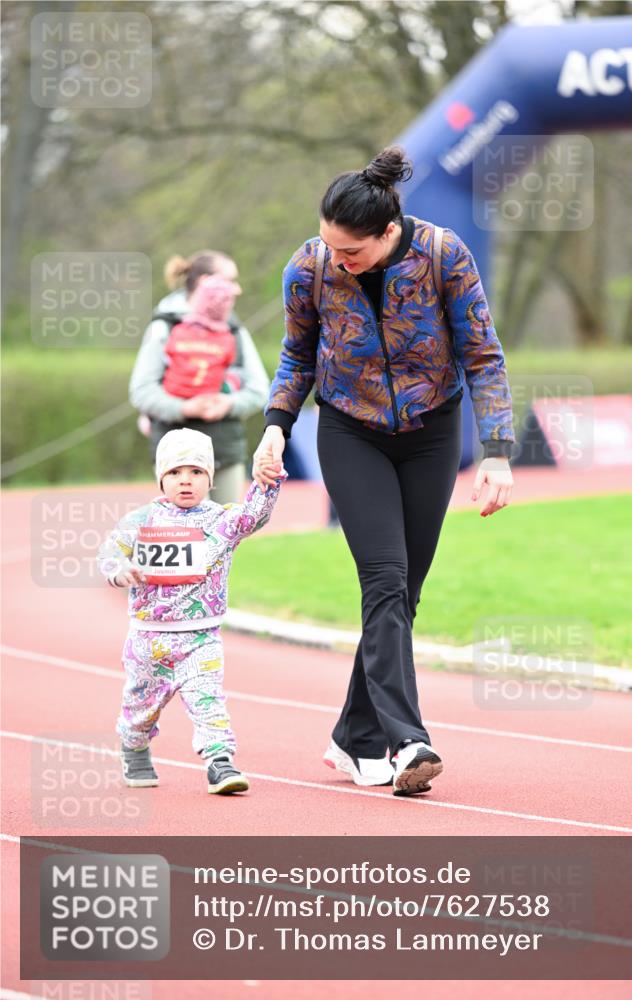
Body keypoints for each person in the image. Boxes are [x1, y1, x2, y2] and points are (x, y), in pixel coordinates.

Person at [253, 146, 515, 797]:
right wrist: (274, 428)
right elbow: (296, 355)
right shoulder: (308, 267)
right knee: (385, 577)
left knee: (401, 596)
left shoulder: (442, 254)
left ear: (388, 232)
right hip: (348, 430)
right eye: (328, 246)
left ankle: (353, 738)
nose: (336, 260)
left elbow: (481, 353)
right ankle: (408, 742)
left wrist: (497, 449)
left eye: (351, 252)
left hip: (431, 433)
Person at [98, 428, 285, 795]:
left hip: (201, 636)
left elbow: (254, 517)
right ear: (161, 477)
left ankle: (220, 761)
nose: (186, 481)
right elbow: (109, 553)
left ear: (210, 478)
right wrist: (121, 572)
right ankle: (134, 746)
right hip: (148, 638)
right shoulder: (141, 520)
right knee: (141, 707)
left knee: (208, 700)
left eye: (197, 472)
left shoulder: (222, 521)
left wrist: (268, 482)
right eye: (176, 473)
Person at [130, 250, 270, 504]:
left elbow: (259, 389)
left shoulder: (235, 330)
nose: (237, 289)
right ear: (206, 281)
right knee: (186, 535)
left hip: (225, 447)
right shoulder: (164, 327)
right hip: (175, 452)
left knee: (226, 534)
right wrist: (184, 408)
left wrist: (228, 403)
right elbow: (141, 391)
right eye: (229, 280)